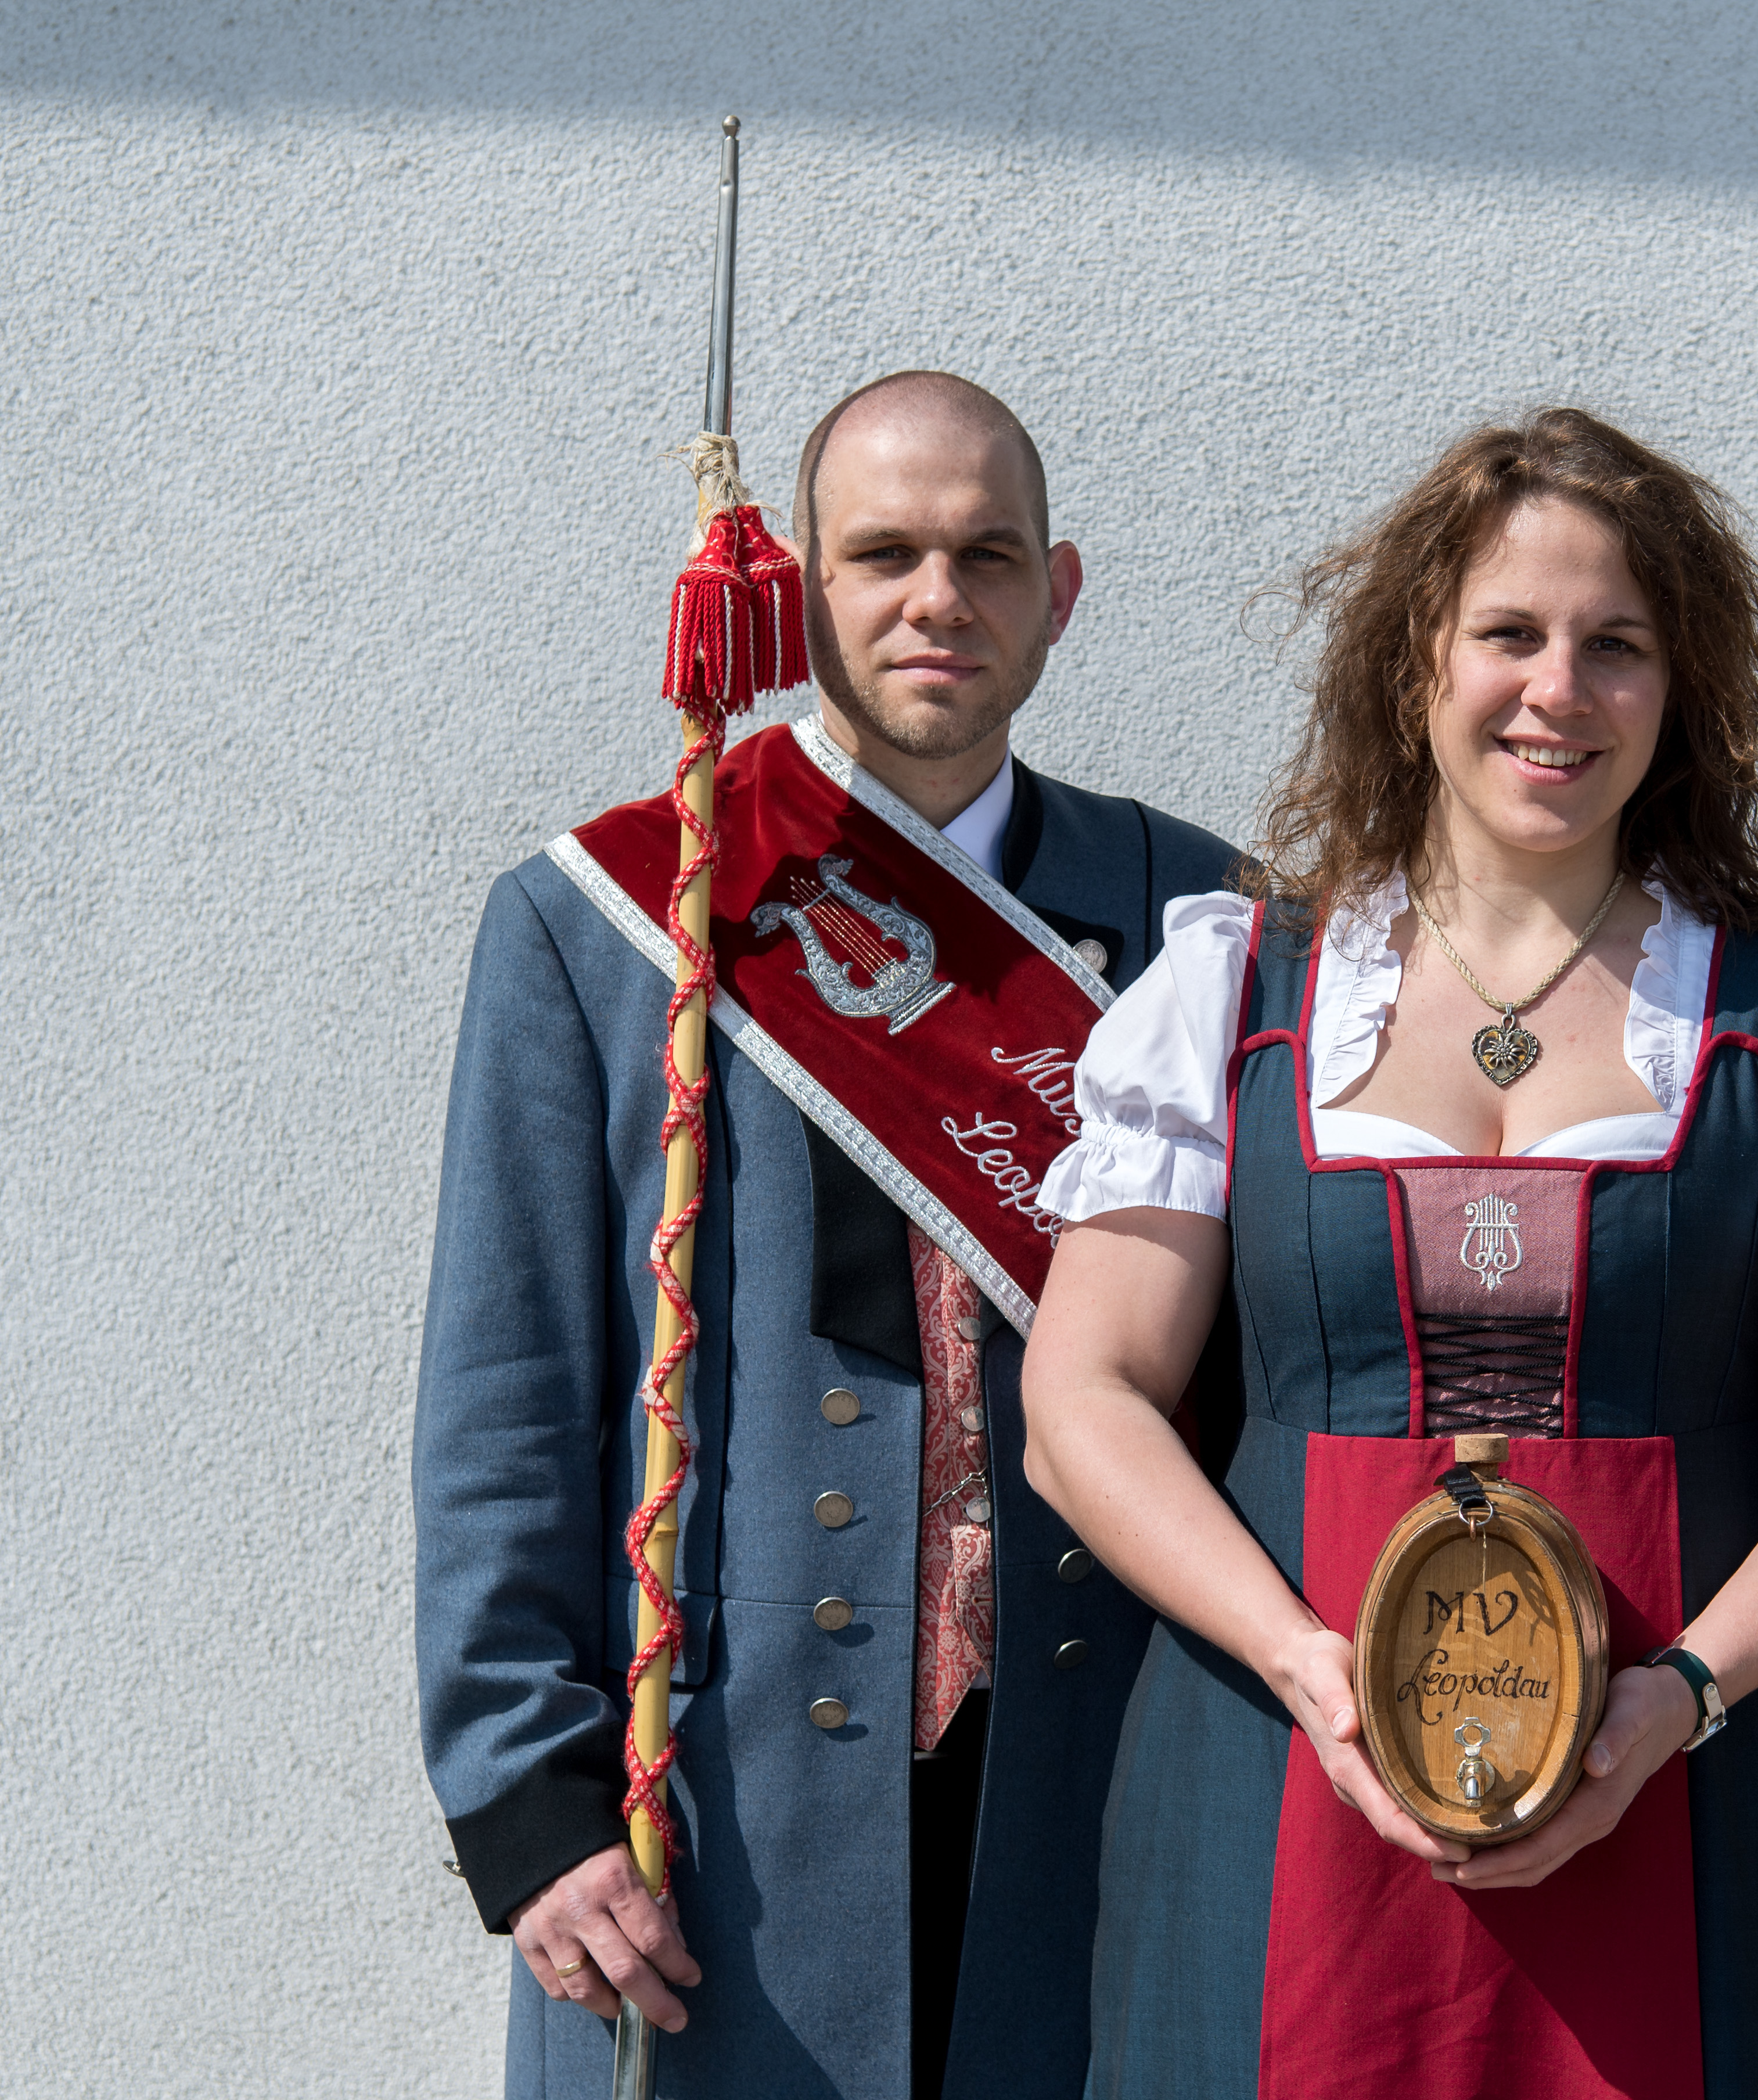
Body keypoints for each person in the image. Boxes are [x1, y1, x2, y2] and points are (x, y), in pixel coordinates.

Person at [1022, 407, 1758, 2099]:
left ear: (1680, 689)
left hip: (1699, 1776)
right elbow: (1083, 1396)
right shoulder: (1235, 987)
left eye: (1618, 645)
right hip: (1278, 1770)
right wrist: (1307, 1670)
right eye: (1510, 636)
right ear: (1417, 664)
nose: (1560, 689)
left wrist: (1680, 1696)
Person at [413, 371, 1239, 2100]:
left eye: (987, 555)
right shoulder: (617, 918)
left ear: (1060, 590)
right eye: (885, 556)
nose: (940, 600)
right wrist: (532, 1804)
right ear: (798, 587)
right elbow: (508, 1397)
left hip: (1095, 1786)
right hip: (720, 1808)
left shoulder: (1193, 920)